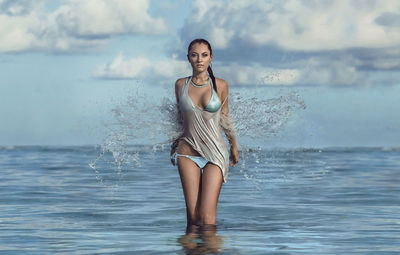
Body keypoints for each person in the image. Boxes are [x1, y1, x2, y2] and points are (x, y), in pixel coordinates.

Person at [170, 38, 239, 233]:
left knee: (207, 220)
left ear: (211, 58)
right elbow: (179, 119)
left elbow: (225, 117)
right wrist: (174, 143)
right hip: (187, 153)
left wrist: (233, 145)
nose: (199, 59)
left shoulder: (221, 85)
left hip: (215, 154)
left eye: (204, 55)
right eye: (194, 55)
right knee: (193, 220)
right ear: (188, 59)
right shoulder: (180, 85)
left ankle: (209, 249)